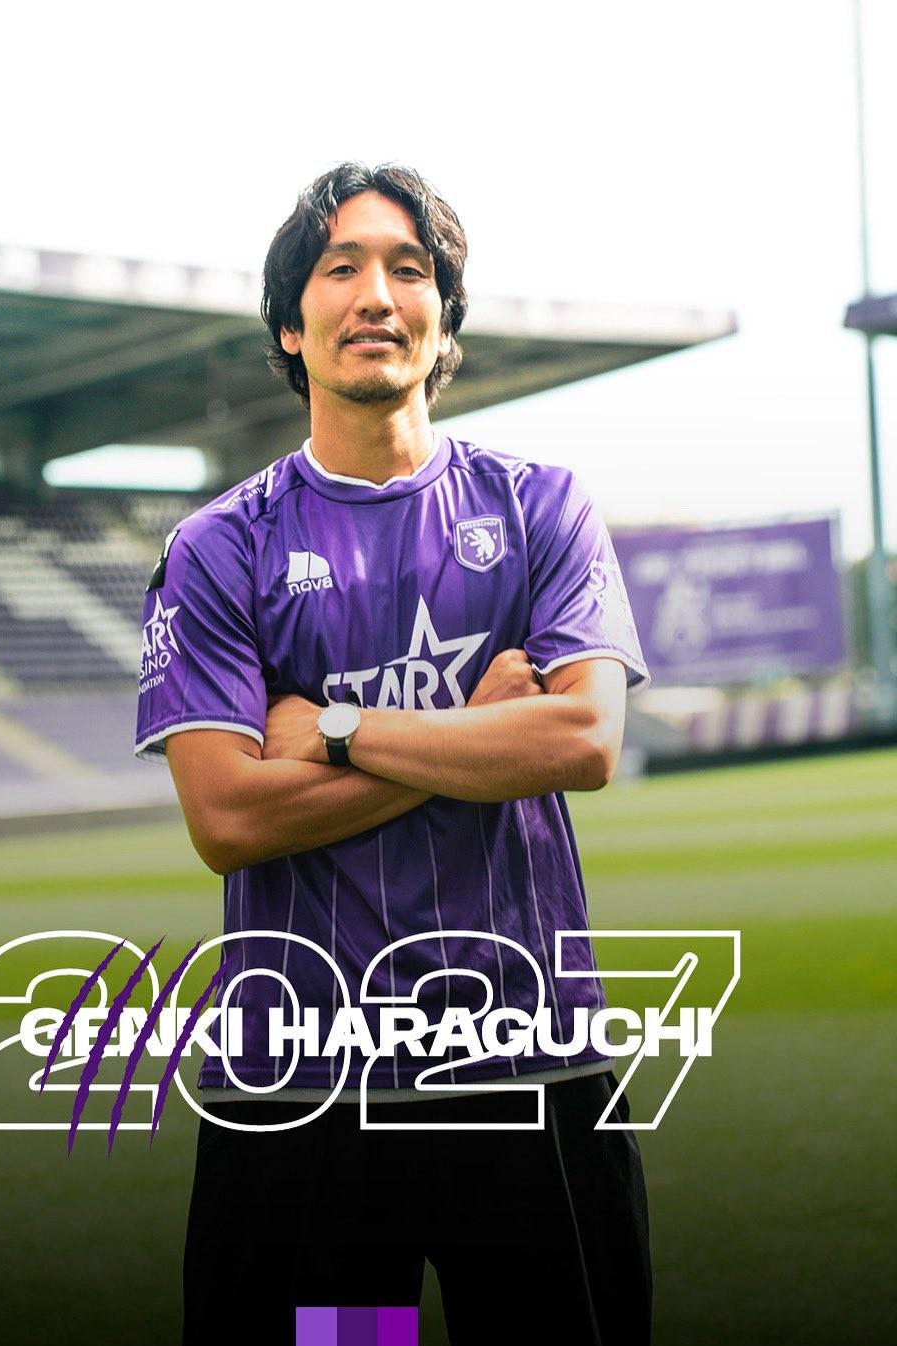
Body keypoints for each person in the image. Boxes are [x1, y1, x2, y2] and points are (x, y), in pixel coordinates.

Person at [136, 162, 653, 1345]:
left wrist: (334, 728)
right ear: (291, 323)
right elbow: (229, 817)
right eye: (341, 268)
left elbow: (581, 738)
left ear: (442, 319)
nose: (376, 292)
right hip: (309, 1090)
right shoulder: (219, 547)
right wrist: (480, 734)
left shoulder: (541, 506)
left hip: (529, 1067)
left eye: (408, 268)